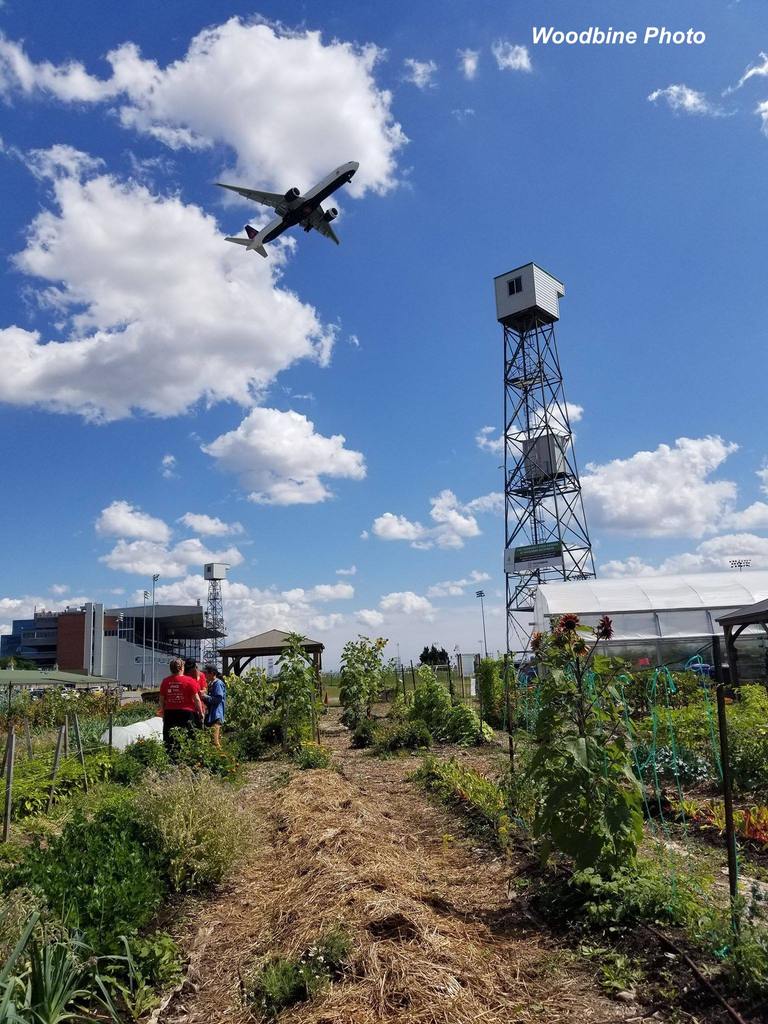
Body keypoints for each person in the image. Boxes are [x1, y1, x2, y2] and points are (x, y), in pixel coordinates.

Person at [159, 658, 204, 754]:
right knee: (189, 736)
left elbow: (161, 700)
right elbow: (196, 699)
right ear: (182, 668)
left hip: (170, 713)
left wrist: (162, 712)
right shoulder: (190, 681)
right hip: (186, 713)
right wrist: (201, 713)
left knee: (169, 738)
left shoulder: (165, 681)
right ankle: (187, 758)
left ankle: (171, 758)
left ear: (171, 669)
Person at [202, 664, 226, 748]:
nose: (204, 675)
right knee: (212, 742)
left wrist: (205, 696)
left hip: (216, 715)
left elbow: (218, 699)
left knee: (215, 742)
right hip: (212, 715)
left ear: (212, 673)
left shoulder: (218, 683)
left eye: (206, 673)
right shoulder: (211, 683)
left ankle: (226, 759)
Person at [184, 658, 206, 726]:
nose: (190, 672)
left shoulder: (201, 675)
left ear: (195, 667)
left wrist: (202, 692)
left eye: (191, 670)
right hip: (188, 706)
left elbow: (205, 689)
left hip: (199, 705)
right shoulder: (185, 676)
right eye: (189, 670)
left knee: (199, 725)